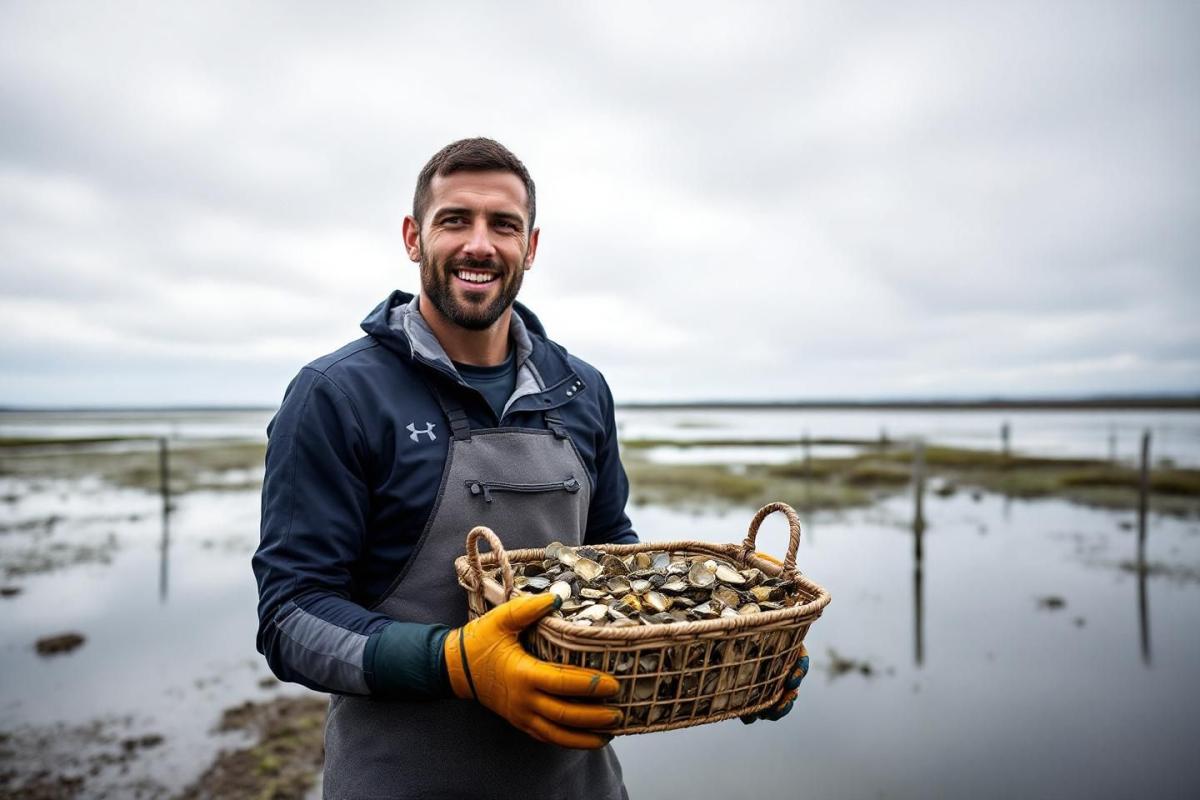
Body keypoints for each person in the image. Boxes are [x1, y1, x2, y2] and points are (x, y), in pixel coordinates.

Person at [252, 138, 804, 800]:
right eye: (454, 219)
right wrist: (454, 662)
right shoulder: (337, 395)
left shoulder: (581, 389)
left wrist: (720, 661)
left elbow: (614, 566)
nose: (479, 244)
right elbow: (290, 616)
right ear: (413, 237)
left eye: (503, 225)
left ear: (531, 247)